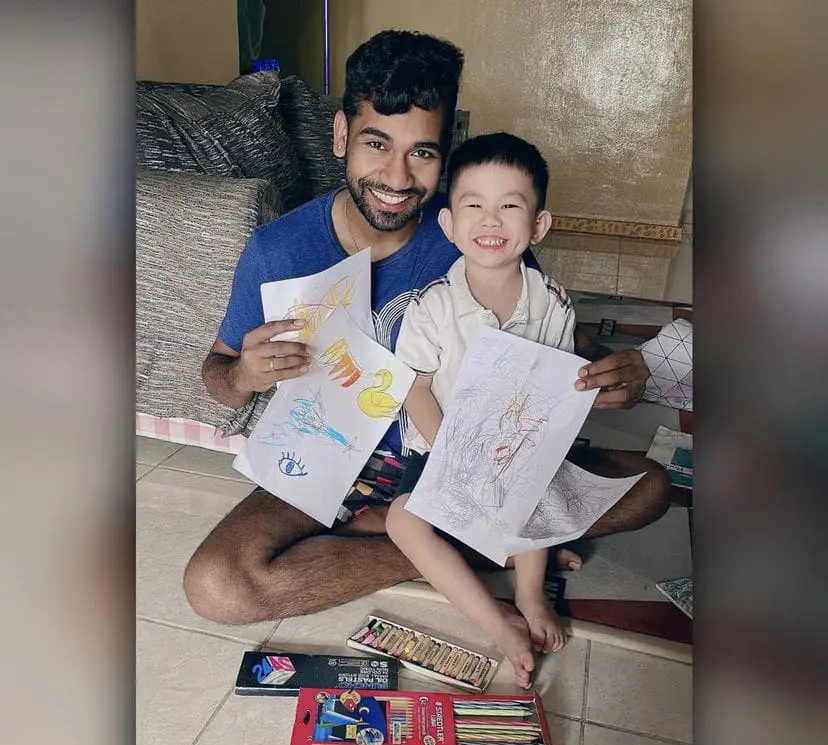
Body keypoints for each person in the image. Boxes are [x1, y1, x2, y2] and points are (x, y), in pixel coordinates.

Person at [184, 29, 669, 627]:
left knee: (650, 486)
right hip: (334, 462)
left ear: (447, 153)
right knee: (218, 586)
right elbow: (216, 374)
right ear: (340, 135)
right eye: (376, 143)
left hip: (473, 456)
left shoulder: (474, 236)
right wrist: (241, 374)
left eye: (423, 152)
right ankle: (452, 550)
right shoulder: (278, 249)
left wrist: (613, 371)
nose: (397, 175)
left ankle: (439, 540)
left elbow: (551, 339)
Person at [387, 132, 600, 688]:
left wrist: (525, 451)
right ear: (448, 224)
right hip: (441, 448)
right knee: (402, 520)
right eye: (473, 204)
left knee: (539, 491)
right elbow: (414, 389)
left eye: (510, 205)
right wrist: (452, 453)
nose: (491, 219)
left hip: (516, 446)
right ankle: (496, 618)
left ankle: (530, 594)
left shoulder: (552, 303)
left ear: (538, 226)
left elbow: (557, 388)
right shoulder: (433, 306)